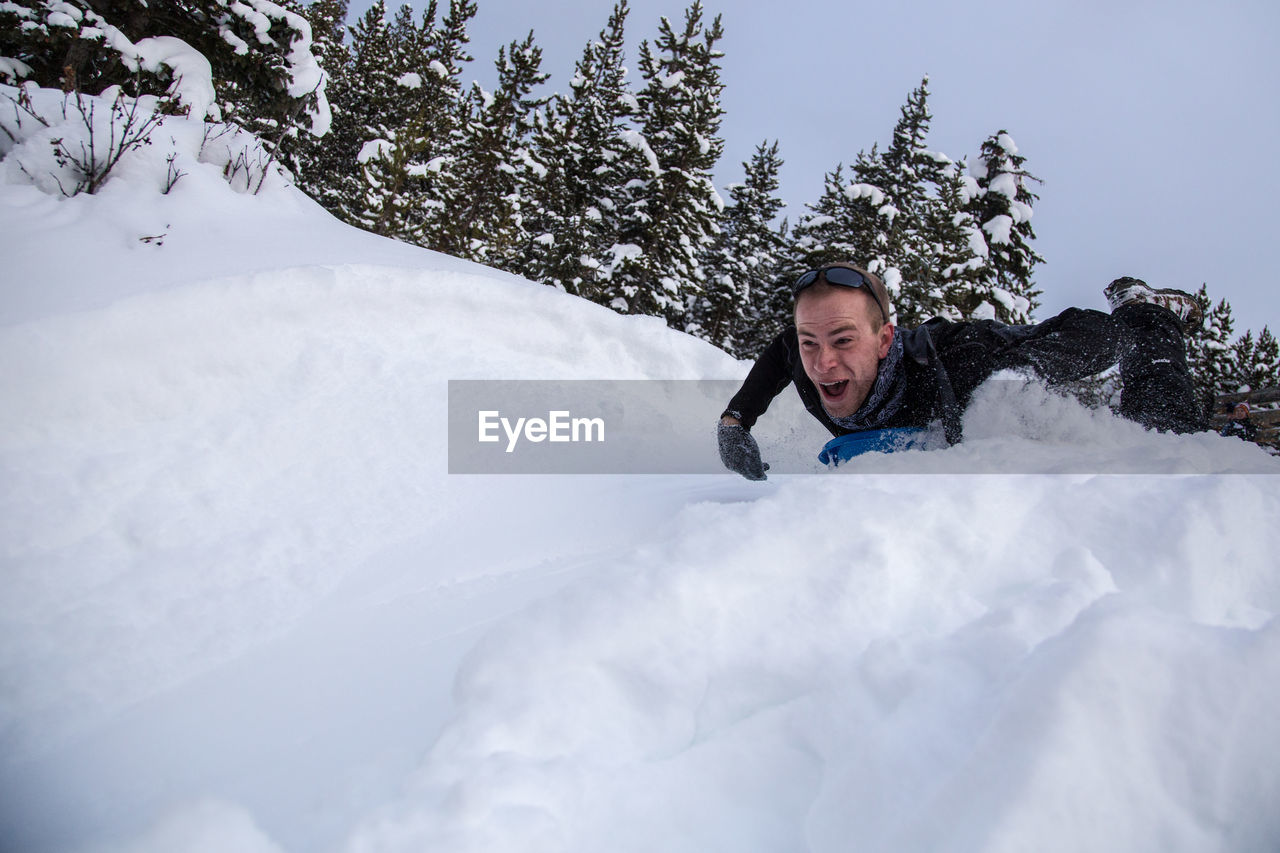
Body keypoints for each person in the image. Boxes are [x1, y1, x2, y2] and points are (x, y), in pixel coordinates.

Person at [717, 263, 1205, 480]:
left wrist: (1014, 379)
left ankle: (1144, 309)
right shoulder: (801, 353)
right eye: (811, 342)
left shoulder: (953, 357)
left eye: (844, 340)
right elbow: (781, 353)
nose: (823, 363)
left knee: (1168, 430)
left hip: (1058, 416)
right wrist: (735, 422)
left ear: (885, 339)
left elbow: (1093, 336)